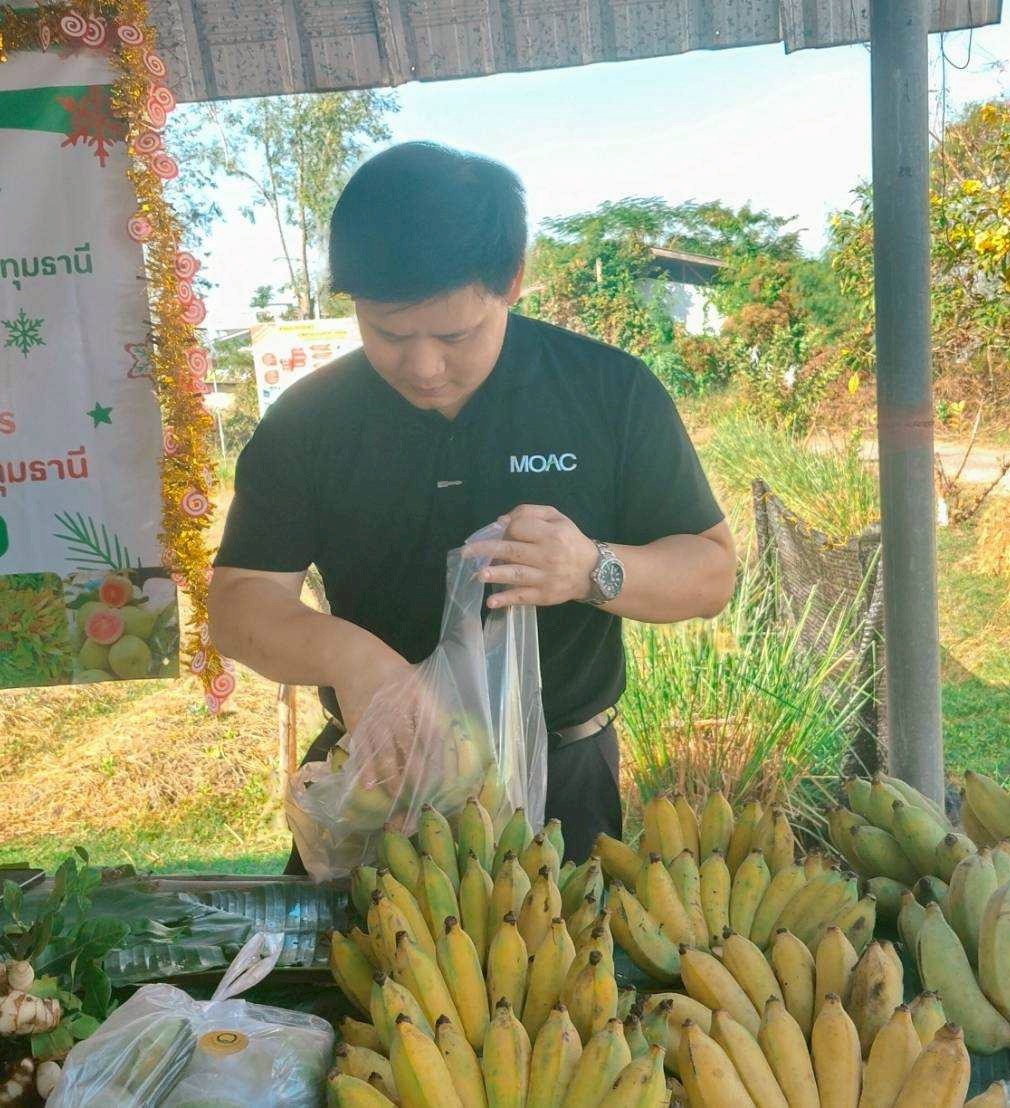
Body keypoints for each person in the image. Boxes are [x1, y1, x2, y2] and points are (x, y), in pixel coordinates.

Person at [209, 141, 736, 870]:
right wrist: (353, 660)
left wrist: (592, 569)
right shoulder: (309, 422)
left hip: (562, 780)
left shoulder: (607, 392)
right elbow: (238, 606)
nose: (423, 368)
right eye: (388, 333)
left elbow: (710, 574)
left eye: (454, 334)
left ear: (512, 282)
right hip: (381, 774)